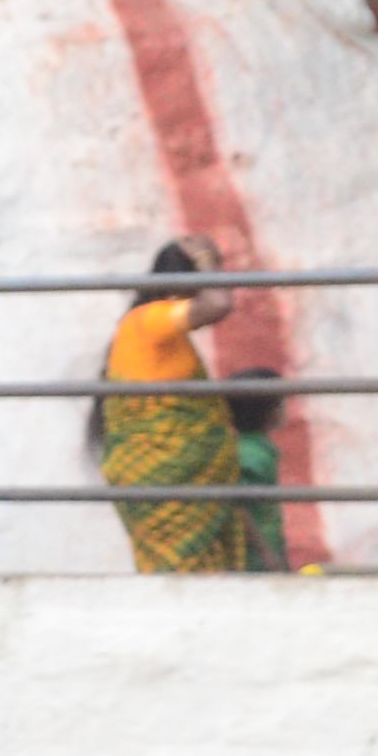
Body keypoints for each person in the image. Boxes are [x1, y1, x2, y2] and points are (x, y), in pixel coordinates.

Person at [93, 239, 273, 577]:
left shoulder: (168, 336)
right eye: (211, 273)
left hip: (197, 488)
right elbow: (218, 303)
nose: (219, 279)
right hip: (165, 483)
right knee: (181, 579)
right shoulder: (148, 320)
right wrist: (206, 259)